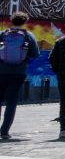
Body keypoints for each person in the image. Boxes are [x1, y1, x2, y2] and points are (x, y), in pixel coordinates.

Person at [0, 11, 40, 139]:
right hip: (18, 73)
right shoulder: (28, 36)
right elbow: (35, 54)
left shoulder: (2, 34)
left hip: (1, 71)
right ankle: (4, 131)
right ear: (25, 22)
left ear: (12, 20)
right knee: (11, 101)